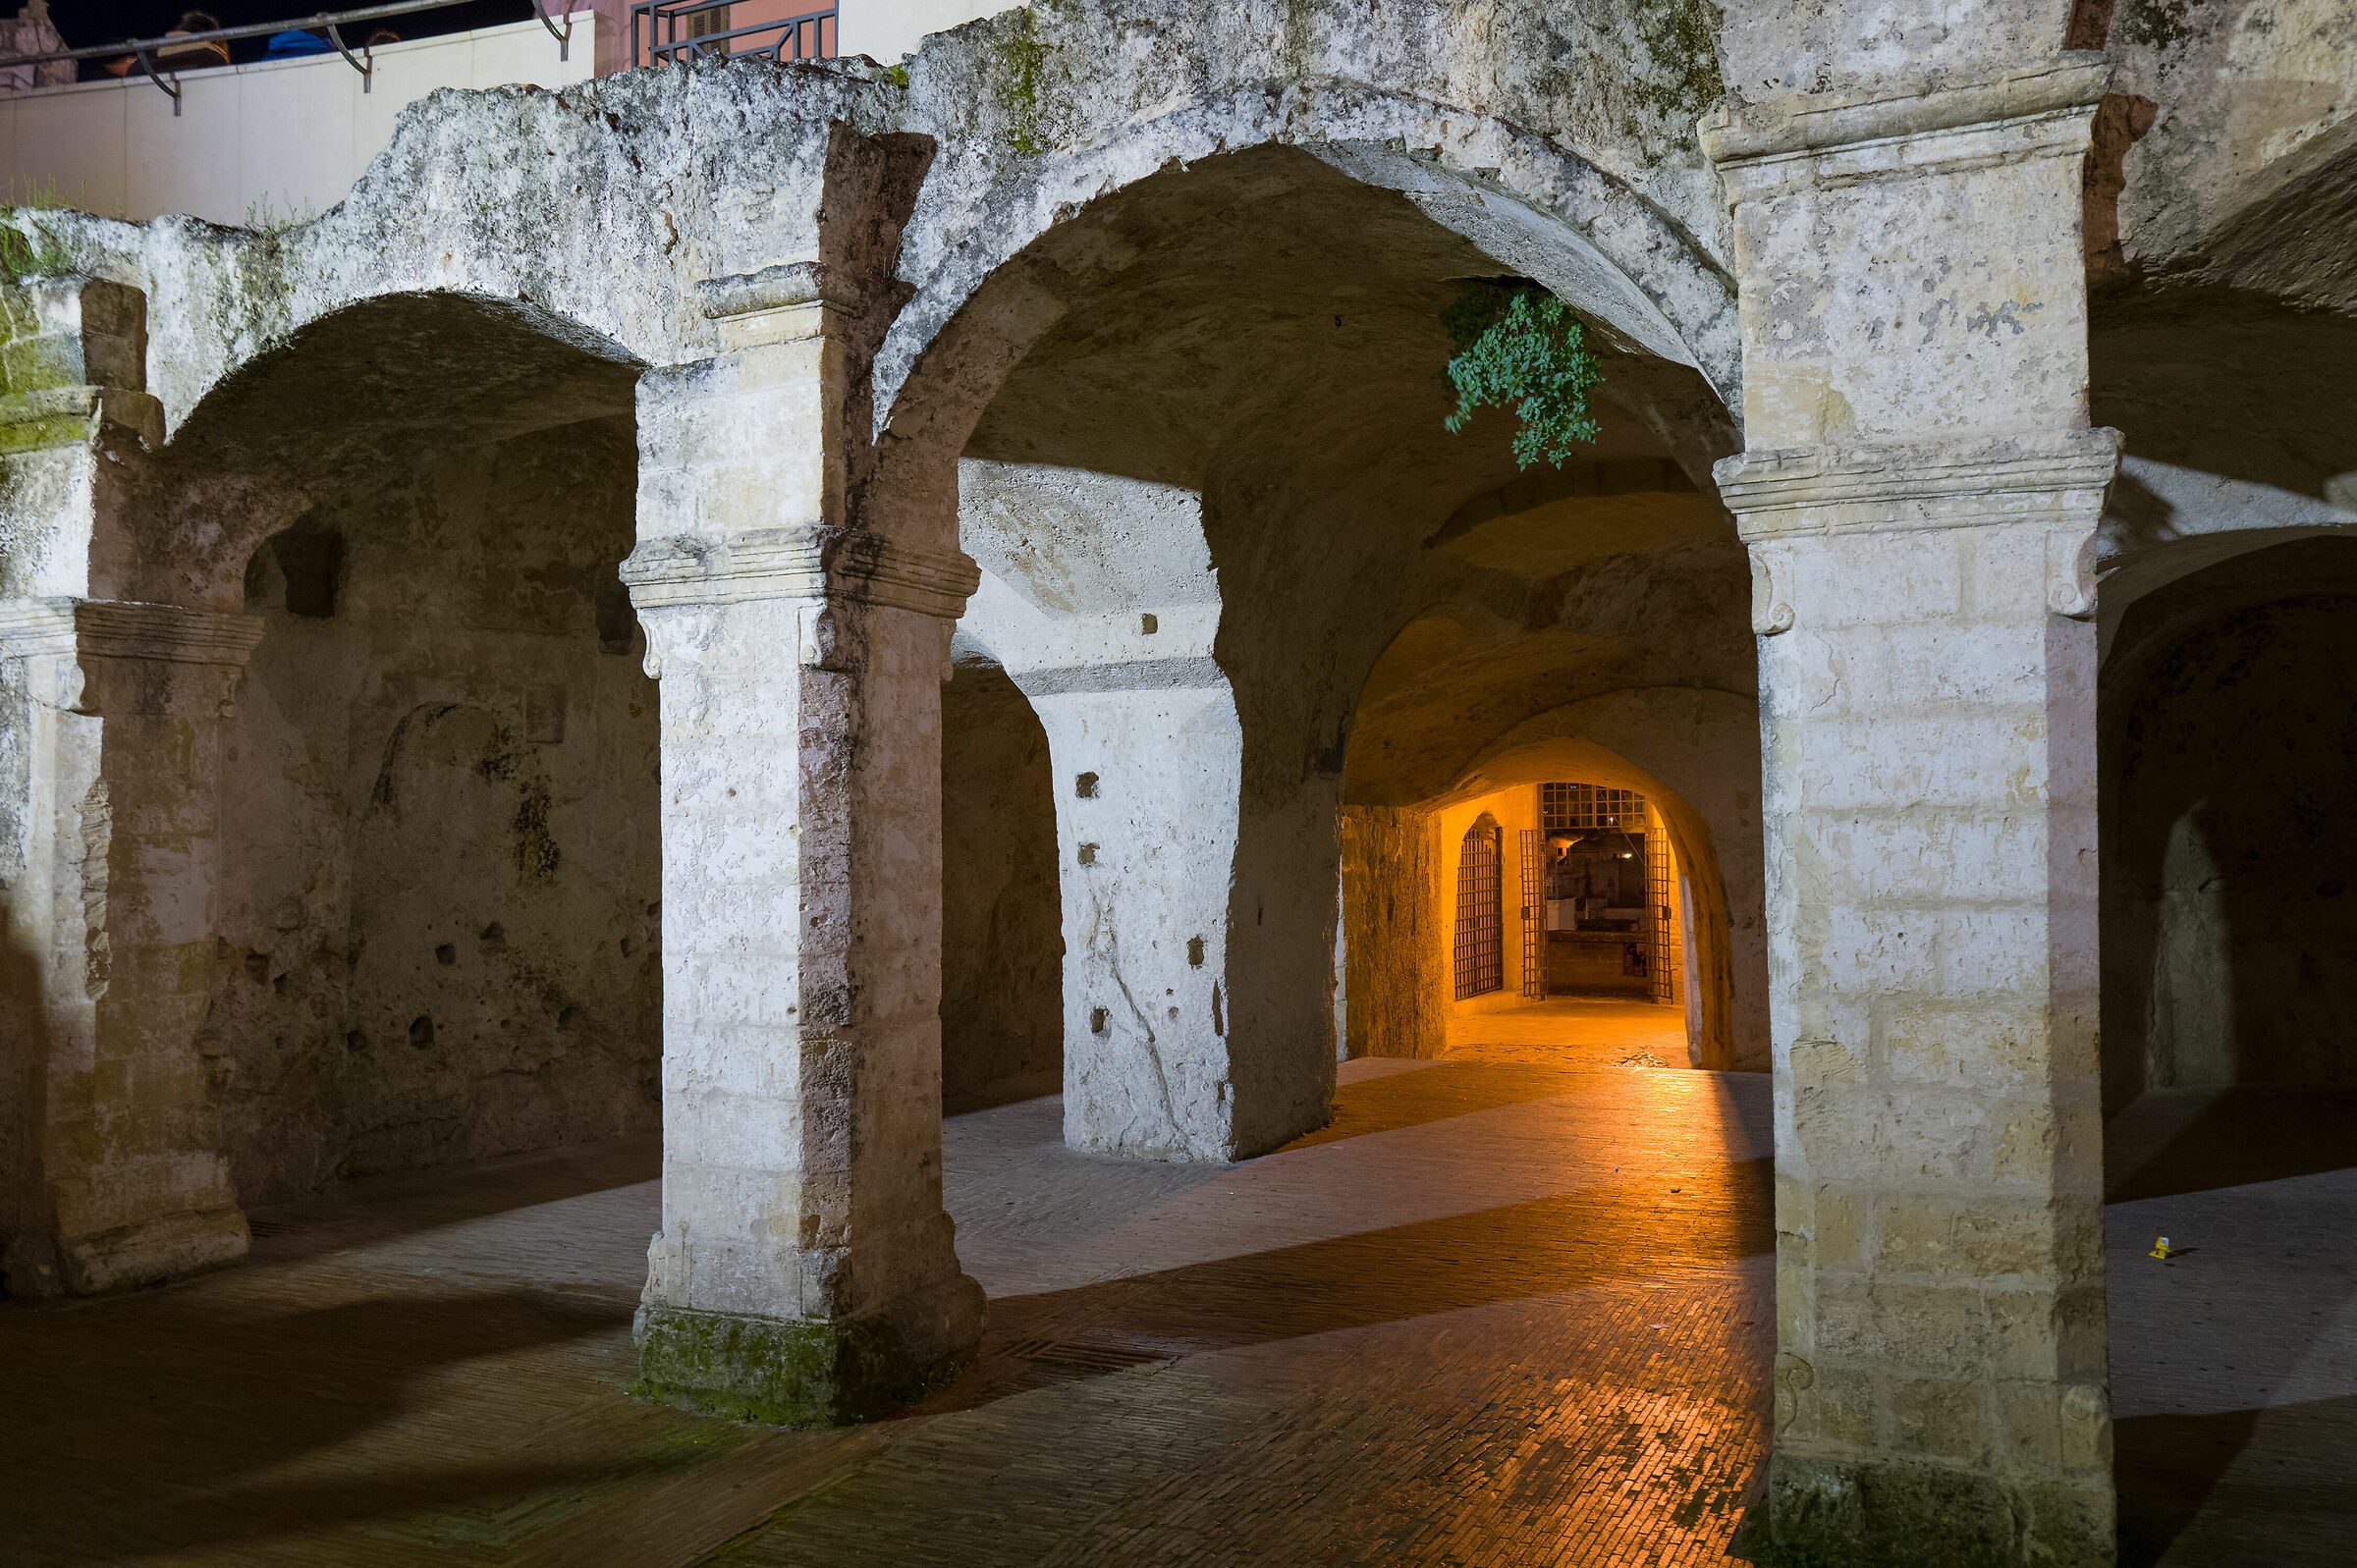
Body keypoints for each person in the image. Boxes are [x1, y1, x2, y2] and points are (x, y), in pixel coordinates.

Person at [106, 9, 230, 76]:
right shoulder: (215, 58)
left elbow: (134, 70)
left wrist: (129, 67)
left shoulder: (156, 52)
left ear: (181, 29)